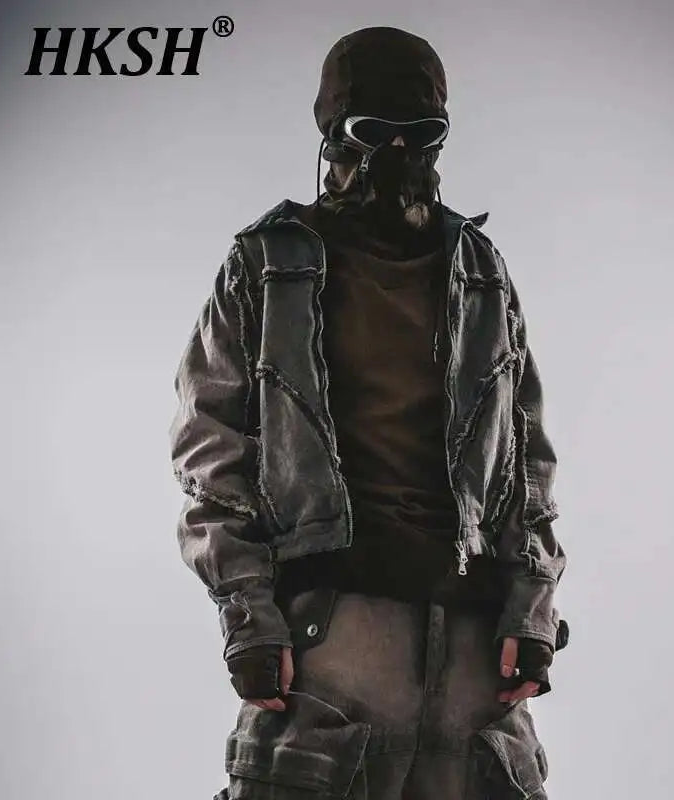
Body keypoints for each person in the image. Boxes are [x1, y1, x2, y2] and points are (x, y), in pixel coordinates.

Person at [169, 26, 569, 800]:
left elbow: (528, 461)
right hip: (332, 644)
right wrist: (250, 616)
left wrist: (533, 608)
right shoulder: (265, 264)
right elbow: (209, 454)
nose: (398, 150)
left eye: (421, 131)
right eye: (373, 129)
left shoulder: (480, 271)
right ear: (332, 132)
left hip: (471, 657)